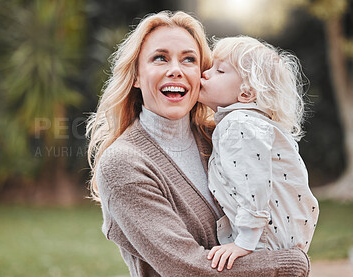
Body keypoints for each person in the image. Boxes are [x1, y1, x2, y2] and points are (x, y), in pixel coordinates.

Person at [87, 11, 310, 276]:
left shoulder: (223, 137)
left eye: (189, 60)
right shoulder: (124, 164)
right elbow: (189, 269)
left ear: (200, 73)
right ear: (136, 76)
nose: (175, 70)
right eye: (160, 58)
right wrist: (290, 264)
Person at [198, 35, 319, 272]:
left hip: (262, 244)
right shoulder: (251, 123)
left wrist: (244, 242)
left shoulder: (239, 125)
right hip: (274, 241)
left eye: (220, 71)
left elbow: (253, 186)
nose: (205, 73)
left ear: (246, 94)